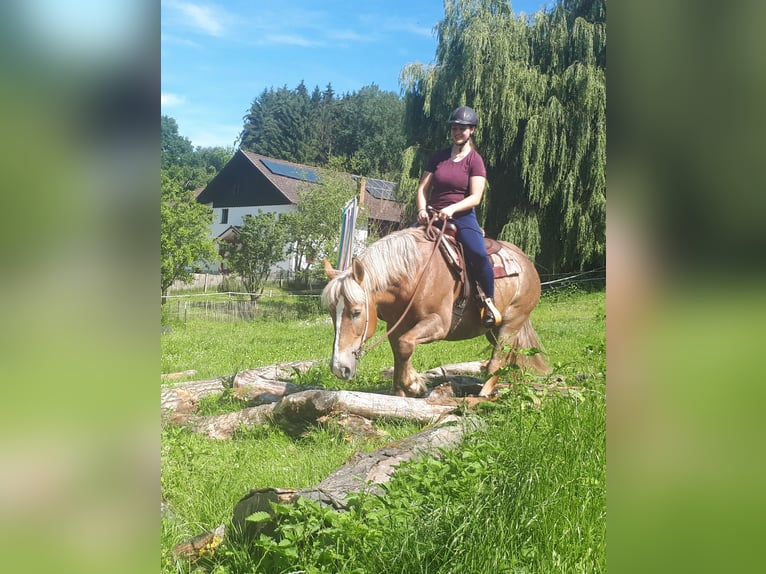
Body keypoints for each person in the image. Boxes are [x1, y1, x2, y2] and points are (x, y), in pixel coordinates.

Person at [415, 105, 501, 327]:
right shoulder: (439, 157)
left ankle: (488, 302)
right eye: (454, 128)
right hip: (432, 214)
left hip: (461, 216)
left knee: (478, 253)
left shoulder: (475, 160)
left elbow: (476, 197)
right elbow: (423, 188)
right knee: (403, 246)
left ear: (472, 130)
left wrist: (452, 210)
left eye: (462, 128)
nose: (457, 132)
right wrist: (422, 209)